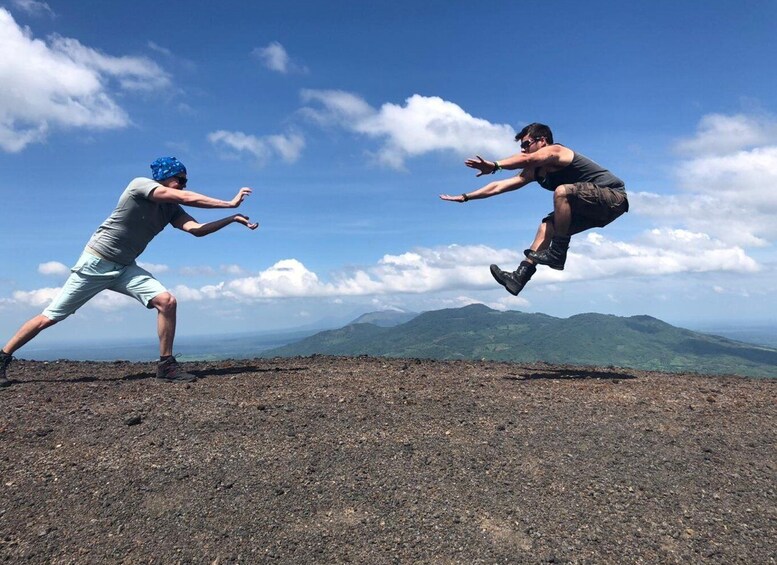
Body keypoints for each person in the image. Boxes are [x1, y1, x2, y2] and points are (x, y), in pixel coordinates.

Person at [0, 157, 258, 387]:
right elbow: (183, 197)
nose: (184, 184)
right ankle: (3, 356)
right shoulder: (140, 185)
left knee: (166, 301)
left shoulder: (171, 210)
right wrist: (228, 202)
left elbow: (196, 229)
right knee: (51, 317)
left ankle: (166, 365)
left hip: (124, 267)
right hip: (96, 263)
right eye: (181, 179)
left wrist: (232, 218)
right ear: (167, 177)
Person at [440, 122, 628, 296]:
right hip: (595, 211)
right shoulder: (535, 171)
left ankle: (557, 253)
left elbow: (528, 159)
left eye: (526, 144)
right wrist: (466, 197)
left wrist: (495, 165)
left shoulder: (557, 151)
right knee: (547, 226)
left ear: (542, 141)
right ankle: (519, 277)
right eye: (521, 146)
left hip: (613, 197)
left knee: (562, 192)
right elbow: (500, 186)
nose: (523, 149)